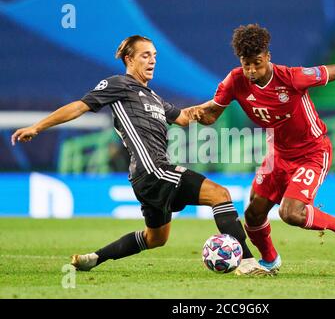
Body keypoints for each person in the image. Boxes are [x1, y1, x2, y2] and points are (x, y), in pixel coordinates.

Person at [11, 35, 270, 275]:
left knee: (156, 239)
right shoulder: (119, 85)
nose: (152, 60)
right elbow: (80, 106)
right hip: (153, 169)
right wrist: (38, 126)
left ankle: (94, 258)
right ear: (129, 59)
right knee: (220, 195)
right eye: (145, 55)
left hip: (146, 176)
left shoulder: (155, 98)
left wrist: (224, 98)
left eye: (154, 55)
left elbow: (184, 118)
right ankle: (247, 262)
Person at [189, 24, 335, 273]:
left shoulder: (292, 77)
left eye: (257, 63)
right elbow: (212, 115)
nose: (251, 70)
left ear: (268, 57)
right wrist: (196, 115)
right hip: (278, 155)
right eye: (246, 63)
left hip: (313, 152)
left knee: (291, 213)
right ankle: (270, 261)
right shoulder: (235, 80)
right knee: (253, 214)